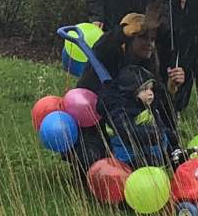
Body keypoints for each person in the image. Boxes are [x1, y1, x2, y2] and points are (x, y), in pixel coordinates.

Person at [74, 10, 185, 171]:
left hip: (130, 129)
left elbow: (161, 109)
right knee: (92, 159)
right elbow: (102, 48)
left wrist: (171, 88)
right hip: (97, 124)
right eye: (143, 37)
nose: (150, 44)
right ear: (128, 38)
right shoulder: (108, 56)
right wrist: (122, 31)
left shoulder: (147, 66)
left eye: (152, 39)